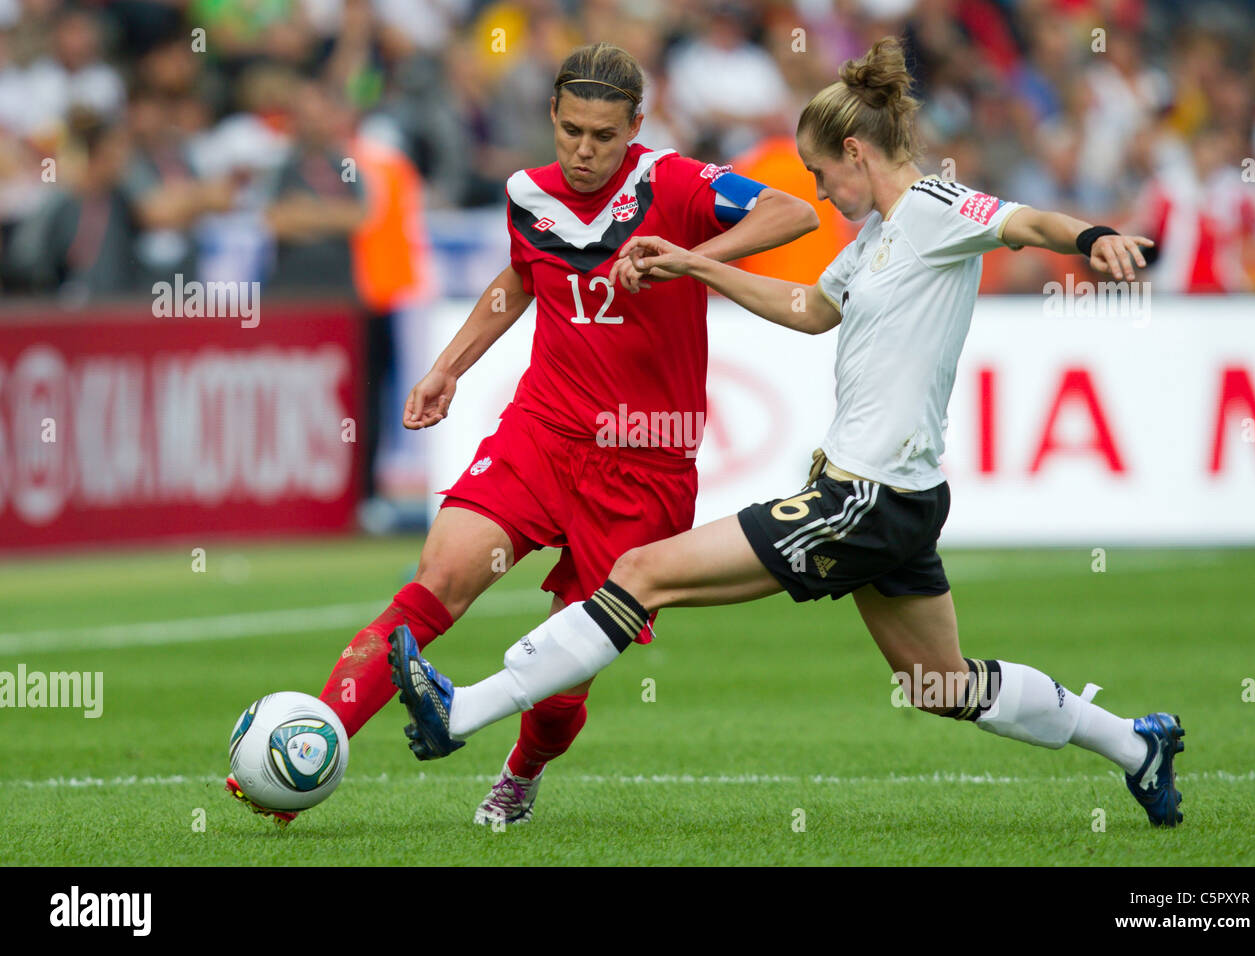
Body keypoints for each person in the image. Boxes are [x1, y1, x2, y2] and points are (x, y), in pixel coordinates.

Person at [389, 37, 1186, 829]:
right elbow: (809, 312)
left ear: (853, 152)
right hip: (894, 495)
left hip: (864, 494)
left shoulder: (938, 211)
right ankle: (1135, 746)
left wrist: (1090, 239)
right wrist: (695, 264)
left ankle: (462, 712)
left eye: (819, 175)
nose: (819, 193)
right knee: (938, 683)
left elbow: (1024, 220)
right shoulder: (873, 240)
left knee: (640, 570)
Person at [226, 41, 819, 827]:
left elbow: (796, 211)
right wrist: (449, 367)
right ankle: (315, 745)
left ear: (636, 126)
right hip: (544, 430)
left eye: (603, 136)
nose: (583, 150)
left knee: (562, 674)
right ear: (552, 115)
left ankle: (522, 770)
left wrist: (691, 259)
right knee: (438, 579)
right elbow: (519, 279)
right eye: (571, 129)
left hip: (648, 460)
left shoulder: (674, 182)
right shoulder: (527, 195)